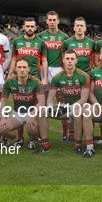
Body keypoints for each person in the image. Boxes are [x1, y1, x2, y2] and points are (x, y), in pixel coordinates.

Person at [46, 50, 90, 154]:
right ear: (63, 61)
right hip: (64, 105)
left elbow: (84, 99)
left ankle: (78, 144)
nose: (69, 61)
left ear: (76, 61)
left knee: (77, 113)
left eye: (72, 59)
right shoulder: (56, 78)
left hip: (80, 106)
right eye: (67, 59)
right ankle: (43, 142)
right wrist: (50, 106)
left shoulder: (84, 76)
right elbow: (50, 97)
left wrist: (70, 108)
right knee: (41, 112)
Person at [0, 58, 45, 149]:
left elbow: (42, 102)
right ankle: (18, 139)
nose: (22, 69)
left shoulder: (36, 82)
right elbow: (3, 101)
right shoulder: (9, 82)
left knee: (32, 127)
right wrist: (3, 117)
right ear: (15, 69)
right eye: (19, 67)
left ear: (29, 69)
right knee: (2, 128)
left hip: (31, 112)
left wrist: (33, 114)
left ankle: (32, 139)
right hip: (16, 113)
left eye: (24, 67)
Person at [37, 11, 69, 141]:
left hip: (58, 70)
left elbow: (66, 56)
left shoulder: (64, 37)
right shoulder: (40, 36)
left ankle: (66, 133)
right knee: (42, 101)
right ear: (46, 21)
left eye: (54, 20)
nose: (51, 22)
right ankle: (41, 134)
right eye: (49, 20)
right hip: (44, 70)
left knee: (62, 101)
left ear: (58, 21)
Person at [9, 17, 48, 85]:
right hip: (19, 76)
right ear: (23, 27)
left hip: (35, 76)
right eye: (27, 26)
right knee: (19, 95)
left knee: (36, 95)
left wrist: (45, 78)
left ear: (35, 28)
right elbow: (13, 60)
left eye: (32, 26)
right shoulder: (17, 41)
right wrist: (9, 75)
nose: (30, 28)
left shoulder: (41, 42)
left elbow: (44, 61)